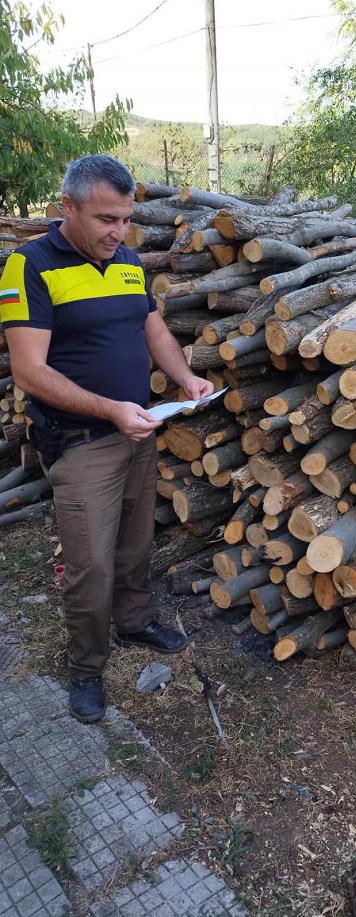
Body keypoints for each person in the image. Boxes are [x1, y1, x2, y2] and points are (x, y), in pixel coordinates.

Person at [0, 155, 214, 723]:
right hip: (81, 440)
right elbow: (29, 372)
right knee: (90, 563)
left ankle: (136, 620)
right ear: (67, 207)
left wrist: (184, 377)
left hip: (137, 427)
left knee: (135, 540)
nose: (118, 233)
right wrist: (110, 409)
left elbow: (152, 328)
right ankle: (87, 668)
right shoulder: (29, 267)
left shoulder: (126, 262)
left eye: (125, 219)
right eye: (105, 219)